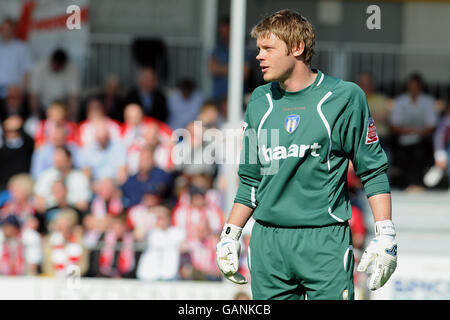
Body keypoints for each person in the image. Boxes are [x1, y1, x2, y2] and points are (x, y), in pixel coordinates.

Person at [216, 10, 397, 300]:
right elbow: (251, 181)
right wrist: (230, 235)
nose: (259, 56)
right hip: (267, 244)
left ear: (298, 48)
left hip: (324, 241)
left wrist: (385, 233)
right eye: (259, 49)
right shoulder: (259, 102)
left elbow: (373, 171)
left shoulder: (345, 98)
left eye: (268, 48)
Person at [389, 73, 438, 191]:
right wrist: (414, 130)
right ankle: (407, 184)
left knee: (419, 153)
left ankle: (417, 184)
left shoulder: (428, 101)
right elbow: (394, 126)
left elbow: (431, 126)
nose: (413, 88)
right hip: (402, 139)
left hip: (423, 140)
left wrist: (413, 131)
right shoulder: (400, 101)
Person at [209, 16, 251, 103]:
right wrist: (236, 69)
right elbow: (212, 69)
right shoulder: (218, 49)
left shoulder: (243, 49)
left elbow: (245, 72)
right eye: (220, 29)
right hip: (218, 97)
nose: (221, 32)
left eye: (224, 29)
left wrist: (221, 68)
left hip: (237, 97)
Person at [29, 48, 80, 120]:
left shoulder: (71, 69)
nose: (56, 67)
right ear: (51, 60)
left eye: (59, 66)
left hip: (64, 108)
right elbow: (34, 94)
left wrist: (72, 120)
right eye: (55, 65)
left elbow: (74, 97)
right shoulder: (40, 66)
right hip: (44, 107)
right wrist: (36, 116)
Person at [0, 18, 33, 99]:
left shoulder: (22, 47)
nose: (6, 31)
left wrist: (23, 91)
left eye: (8, 29)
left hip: (14, 92)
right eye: (4, 29)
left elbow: (27, 71)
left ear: (14, 30)